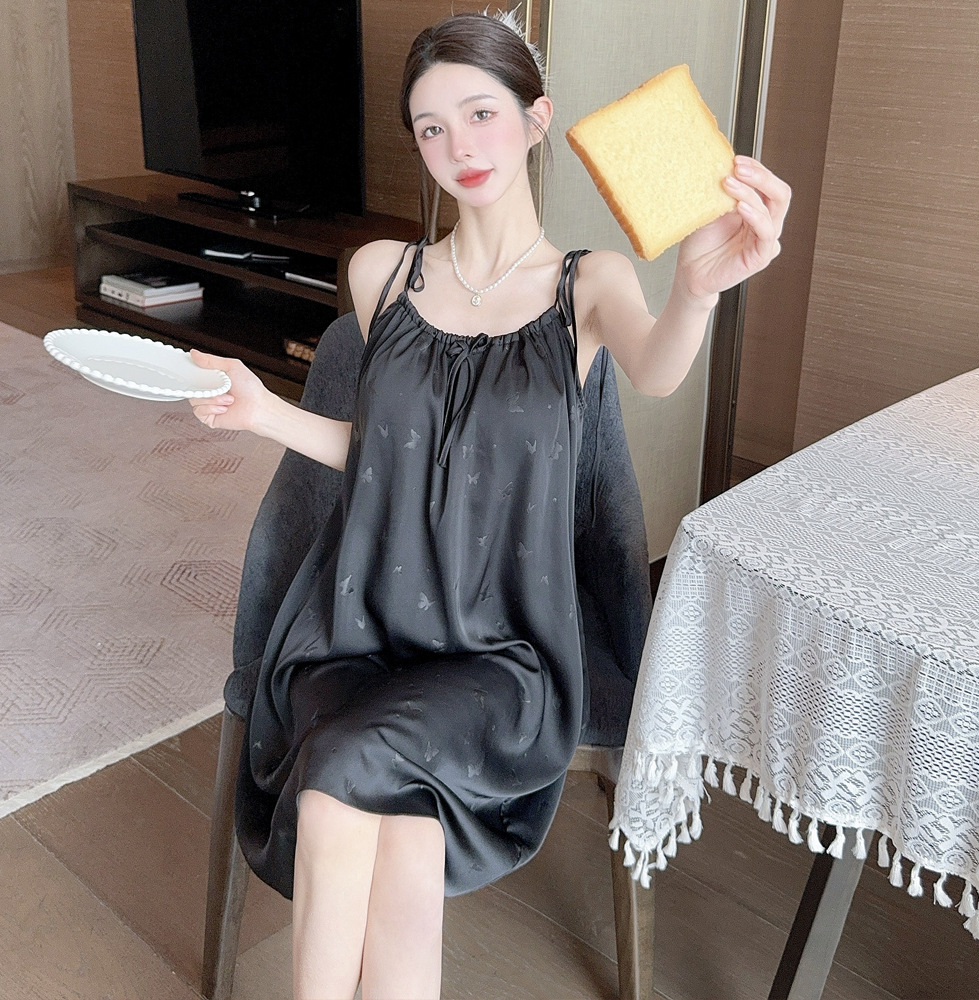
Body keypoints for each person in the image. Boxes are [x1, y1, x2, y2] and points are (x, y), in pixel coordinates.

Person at [189, 11, 790, 1000]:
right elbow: (384, 458)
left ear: (535, 118)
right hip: (359, 632)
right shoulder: (382, 274)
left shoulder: (587, 285)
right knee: (393, 827)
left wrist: (696, 288)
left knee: (341, 770)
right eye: (431, 127)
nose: (459, 146)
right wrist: (262, 413)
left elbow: (658, 368)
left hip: (502, 653)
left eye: (480, 113)